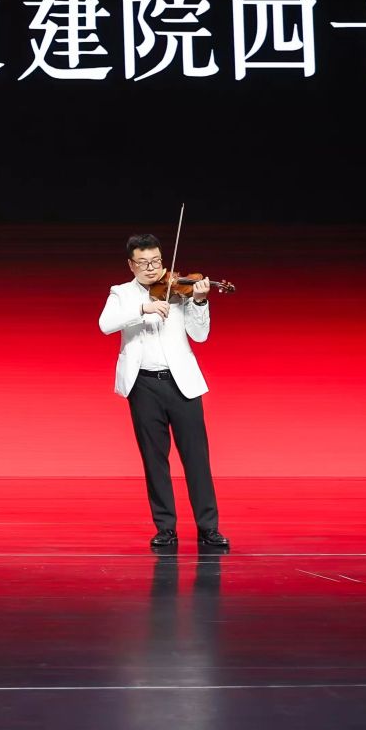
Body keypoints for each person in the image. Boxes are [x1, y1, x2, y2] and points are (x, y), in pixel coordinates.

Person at [98, 232, 229, 552]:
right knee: (154, 459)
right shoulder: (121, 293)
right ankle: (165, 528)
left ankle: (209, 528)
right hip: (143, 385)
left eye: (156, 261)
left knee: (197, 458)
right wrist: (144, 308)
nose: (152, 268)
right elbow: (105, 324)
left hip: (182, 384)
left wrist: (200, 301)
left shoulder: (179, 290)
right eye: (143, 262)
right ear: (131, 264)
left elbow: (200, 335)